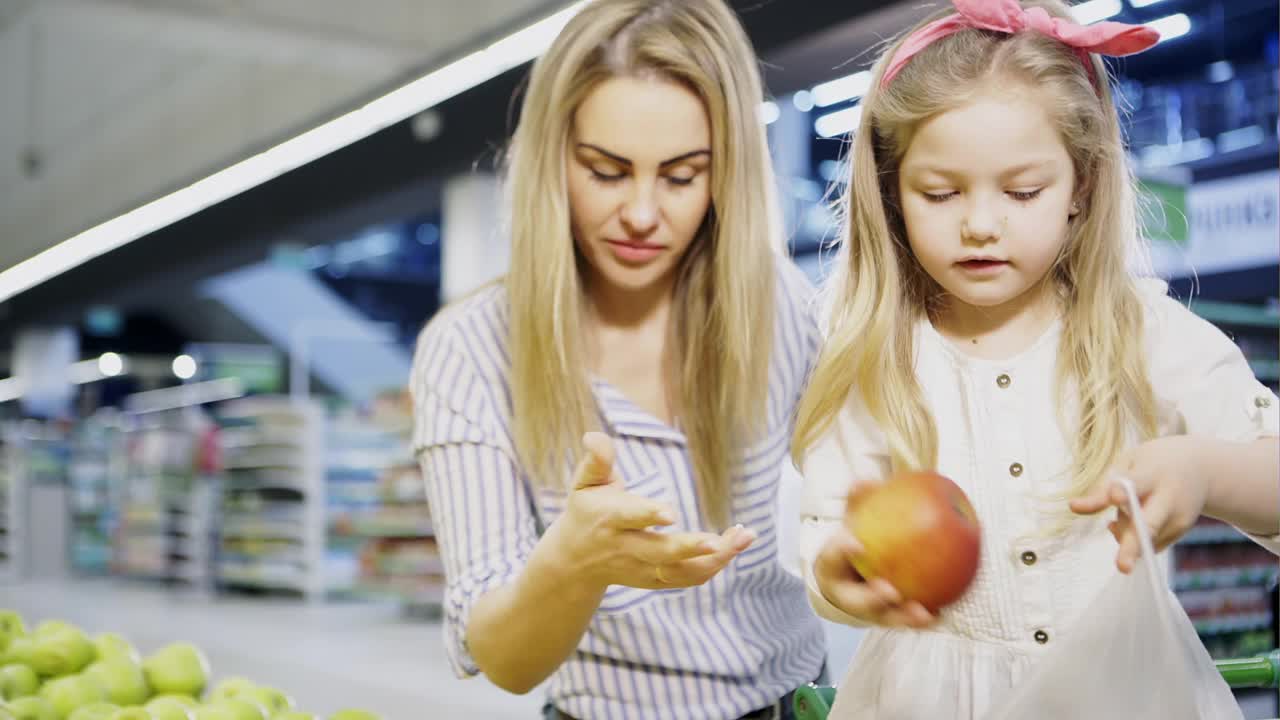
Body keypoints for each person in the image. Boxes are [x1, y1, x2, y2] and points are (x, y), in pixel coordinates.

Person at [790, 1, 1280, 717]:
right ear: (892, 195)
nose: (981, 224)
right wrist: (843, 572)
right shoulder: (871, 352)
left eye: (1023, 192)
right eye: (939, 192)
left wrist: (1205, 470)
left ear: (1081, 186)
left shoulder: (1138, 331)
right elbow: (827, 538)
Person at [409, 1, 827, 717]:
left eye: (681, 175)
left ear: (725, 172)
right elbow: (503, 661)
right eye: (606, 171)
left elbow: (849, 506)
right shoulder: (473, 351)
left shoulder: (784, 306)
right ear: (553, 161)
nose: (640, 213)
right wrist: (571, 566)